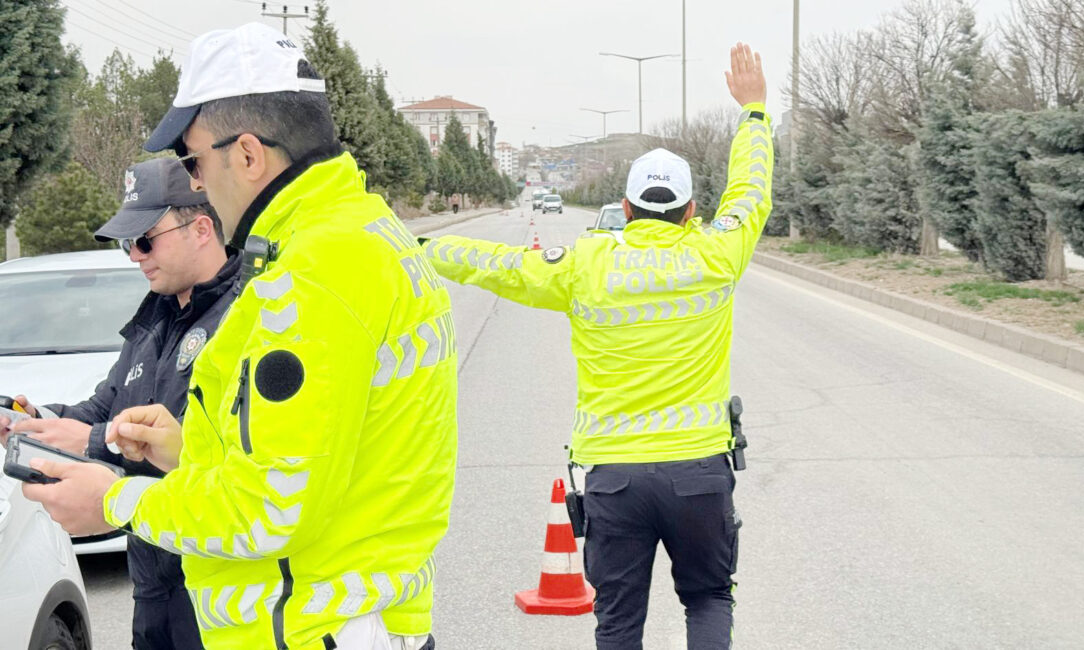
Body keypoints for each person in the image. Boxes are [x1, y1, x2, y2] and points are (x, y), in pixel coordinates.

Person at [22, 22, 457, 650]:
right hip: (361, 612)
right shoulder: (368, 234)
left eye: (194, 162)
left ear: (248, 155)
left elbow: (269, 510)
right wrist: (185, 450)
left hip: (307, 627)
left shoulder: (311, 277)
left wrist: (117, 502)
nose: (197, 184)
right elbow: (325, 453)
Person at [418, 44, 772, 648]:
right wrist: (754, 111)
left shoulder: (587, 264)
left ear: (627, 209)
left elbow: (498, 264)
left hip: (616, 483)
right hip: (699, 475)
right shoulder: (718, 253)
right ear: (691, 210)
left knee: (618, 622)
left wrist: (421, 248)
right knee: (709, 598)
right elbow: (750, 190)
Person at [1, 157, 236, 650]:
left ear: (201, 229)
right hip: (152, 585)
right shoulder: (155, 320)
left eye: (145, 240)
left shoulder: (245, 318)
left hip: (221, 590)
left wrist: (92, 441)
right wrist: (35, 421)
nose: (135, 257)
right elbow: (104, 407)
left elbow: (216, 452)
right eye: (128, 244)